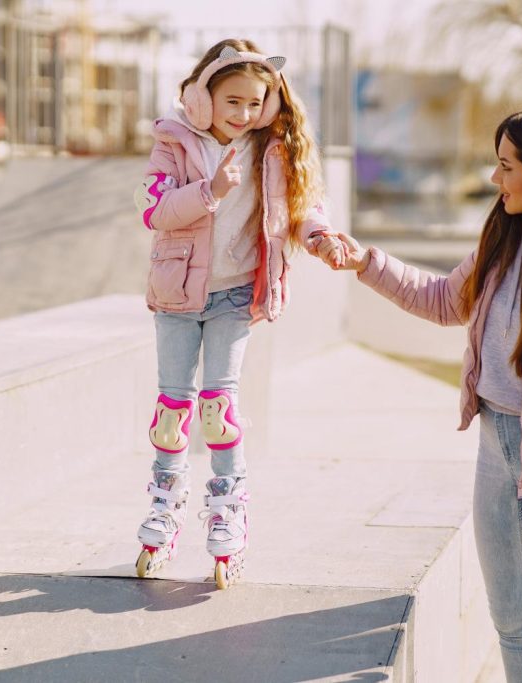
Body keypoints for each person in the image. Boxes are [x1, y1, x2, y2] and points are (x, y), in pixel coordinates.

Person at [311, 106, 522, 680]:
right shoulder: (508, 233)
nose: (495, 179)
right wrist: (366, 261)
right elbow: (445, 299)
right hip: (497, 446)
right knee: (511, 624)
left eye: (505, 166)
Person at [132, 38, 331, 589]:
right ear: (202, 97)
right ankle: (165, 508)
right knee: (173, 408)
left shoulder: (271, 149)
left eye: (254, 102)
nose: (244, 114)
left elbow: (302, 208)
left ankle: (227, 511)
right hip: (177, 296)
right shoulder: (173, 142)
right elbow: (155, 211)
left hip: (235, 297)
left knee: (219, 406)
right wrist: (209, 190)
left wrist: (321, 237)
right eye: (233, 101)